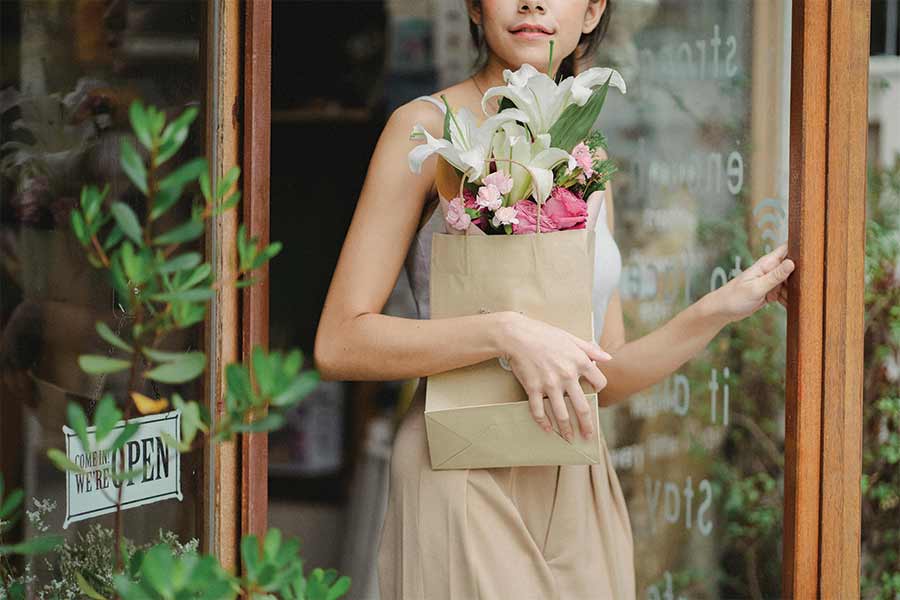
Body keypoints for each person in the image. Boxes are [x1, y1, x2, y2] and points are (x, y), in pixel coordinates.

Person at [313, 1, 794, 598]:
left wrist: (715, 311)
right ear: (472, 5)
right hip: (460, 465)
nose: (533, 2)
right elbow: (340, 341)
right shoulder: (427, 129)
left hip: (574, 473)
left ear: (592, 12)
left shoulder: (587, 157)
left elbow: (603, 375)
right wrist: (505, 333)